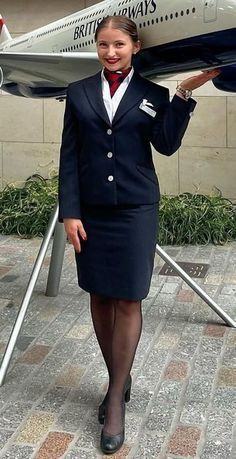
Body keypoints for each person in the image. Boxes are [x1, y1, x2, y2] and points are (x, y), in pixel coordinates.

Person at [59, 15, 220, 455]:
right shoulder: (78, 93)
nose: (110, 52)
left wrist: (184, 95)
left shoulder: (153, 94)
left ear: (135, 45)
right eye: (103, 45)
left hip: (135, 211)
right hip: (90, 212)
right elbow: (69, 156)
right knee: (98, 296)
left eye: (119, 45)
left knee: (128, 297)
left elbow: (166, 144)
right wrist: (69, 212)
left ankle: (114, 398)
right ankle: (119, 375)